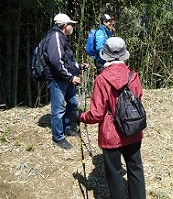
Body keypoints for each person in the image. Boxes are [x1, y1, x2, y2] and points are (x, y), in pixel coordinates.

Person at [79, 37, 146, 199]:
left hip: (111, 135)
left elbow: (96, 114)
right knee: (135, 169)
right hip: (133, 130)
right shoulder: (133, 75)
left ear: (106, 56)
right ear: (123, 55)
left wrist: (80, 116)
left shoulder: (102, 79)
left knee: (115, 174)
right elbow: (138, 100)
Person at [44, 13, 88, 149]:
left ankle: (67, 128)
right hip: (58, 79)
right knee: (58, 109)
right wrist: (71, 77)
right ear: (64, 26)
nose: (72, 27)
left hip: (65, 78)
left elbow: (67, 61)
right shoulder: (55, 37)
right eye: (71, 24)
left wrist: (79, 66)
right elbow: (56, 62)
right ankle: (58, 137)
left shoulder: (61, 37)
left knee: (73, 102)